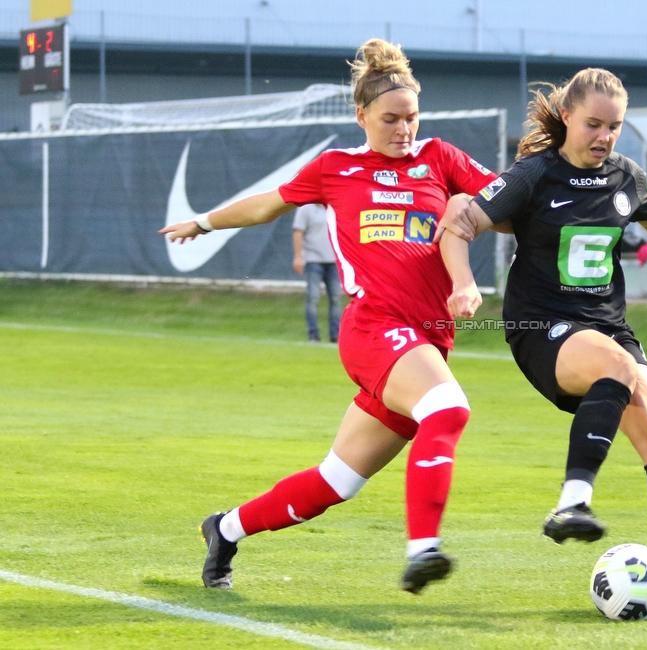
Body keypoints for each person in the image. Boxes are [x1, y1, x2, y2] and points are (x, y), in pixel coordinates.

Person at [159, 39, 497, 594]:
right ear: (361, 115)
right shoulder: (335, 168)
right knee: (448, 407)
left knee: (336, 481)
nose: (403, 129)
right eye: (390, 119)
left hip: (426, 341)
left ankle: (225, 528)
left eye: (411, 117)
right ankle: (423, 549)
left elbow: (503, 204)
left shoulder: (441, 158)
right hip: (373, 329)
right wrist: (204, 222)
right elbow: (268, 203)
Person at [436, 69, 647, 617]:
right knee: (616, 367)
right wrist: (463, 284)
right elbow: (457, 225)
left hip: (607, 325)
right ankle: (572, 503)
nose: (604, 135)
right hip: (541, 327)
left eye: (614, 126)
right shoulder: (532, 175)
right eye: (593, 124)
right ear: (566, 118)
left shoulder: (626, 176)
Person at [293, 203, 343, 342]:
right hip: (313, 259)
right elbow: (298, 232)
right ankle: (313, 334)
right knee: (313, 297)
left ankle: (335, 334)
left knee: (336, 298)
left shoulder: (336, 206)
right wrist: (298, 256)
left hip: (334, 260)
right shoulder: (306, 208)